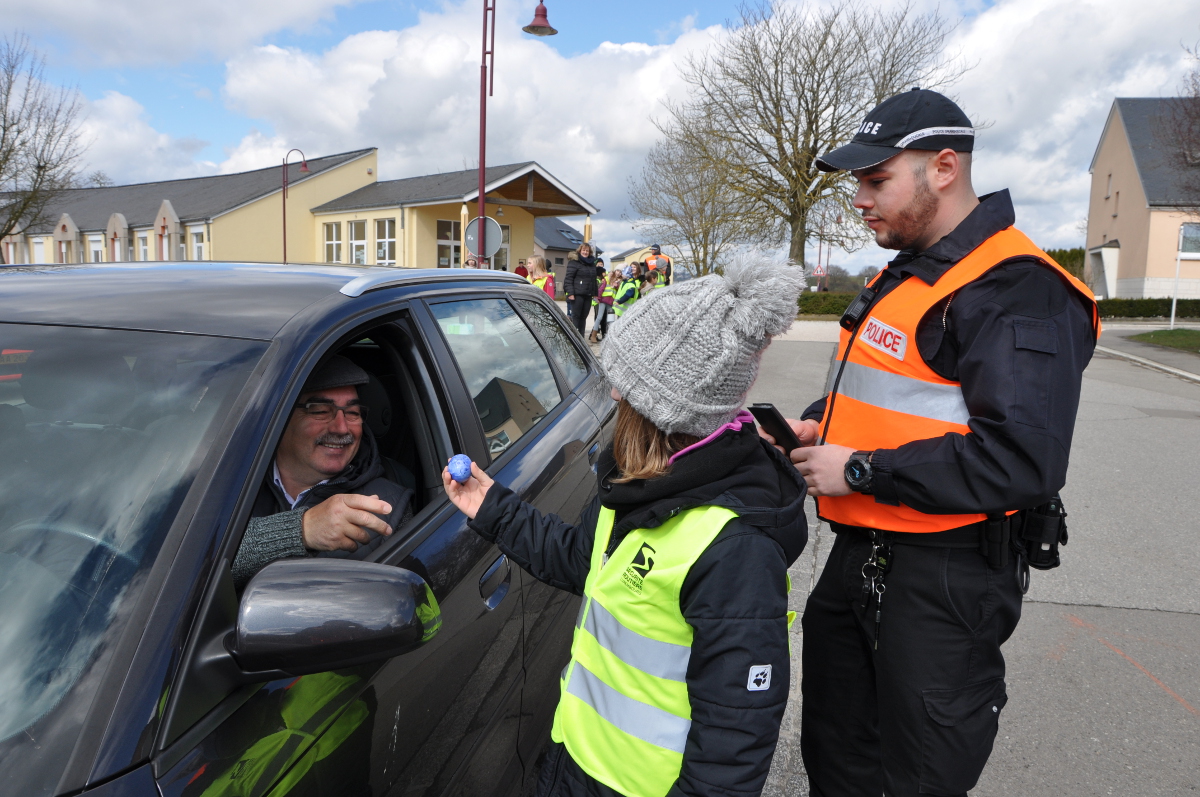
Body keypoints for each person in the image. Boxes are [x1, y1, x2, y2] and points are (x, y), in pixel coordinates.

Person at [770, 88, 1099, 797]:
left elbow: (1021, 458)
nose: (857, 197)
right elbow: (898, 390)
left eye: (876, 178)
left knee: (919, 775)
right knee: (836, 757)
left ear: (944, 167)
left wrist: (857, 468)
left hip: (945, 580)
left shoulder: (1017, 288)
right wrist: (820, 425)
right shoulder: (914, 268)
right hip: (864, 556)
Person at [441, 255, 807, 797]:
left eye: (624, 384)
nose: (612, 394)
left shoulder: (735, 550)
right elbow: (576, 559)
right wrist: (492, 506)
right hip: (573, 761)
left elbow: (731, 751)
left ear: (665, 408)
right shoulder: (640, 484)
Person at [232, 356, 415, 590]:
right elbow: (191, 563)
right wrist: (300, 530)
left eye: (353, 413)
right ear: (280, 418)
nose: (341, 428)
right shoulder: (228, 482)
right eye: (320, 411)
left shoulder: (390, 508)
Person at [564, 242, 600, 336]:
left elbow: (594, 280)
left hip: (588, 294)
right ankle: (575, 337)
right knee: (576, 317)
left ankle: (581, 336)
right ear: (580, 251)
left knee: (583, 317)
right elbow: (569, 278)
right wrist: (570, 293)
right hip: (577, 294)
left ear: (589, 252)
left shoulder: (591, 264)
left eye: (587, 250)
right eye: (583, 250)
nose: (585, 252)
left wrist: (595, 294)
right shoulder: (574, 263)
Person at [590, 265, 618, 343]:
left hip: (610, 302)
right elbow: (601, 290)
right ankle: (593, 335)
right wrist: (598, 299)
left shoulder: (616, 283)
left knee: (609, 320)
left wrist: (616, 285)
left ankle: (608, 335)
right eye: (610, 274)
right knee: (599, 318)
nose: (611, 276)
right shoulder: (605, 280)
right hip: (603, 301)